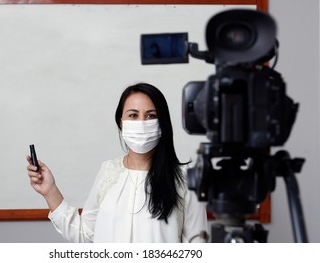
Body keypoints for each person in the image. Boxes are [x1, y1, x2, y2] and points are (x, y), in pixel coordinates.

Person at [26, 83, 208, 243]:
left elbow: (198, 246)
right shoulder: (108, 171)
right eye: (133, 115)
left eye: (151, 116)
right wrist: (50, 191)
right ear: (121, 123)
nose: (142, 123)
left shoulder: (185, 179)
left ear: (162, 124)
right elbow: (85, 235)